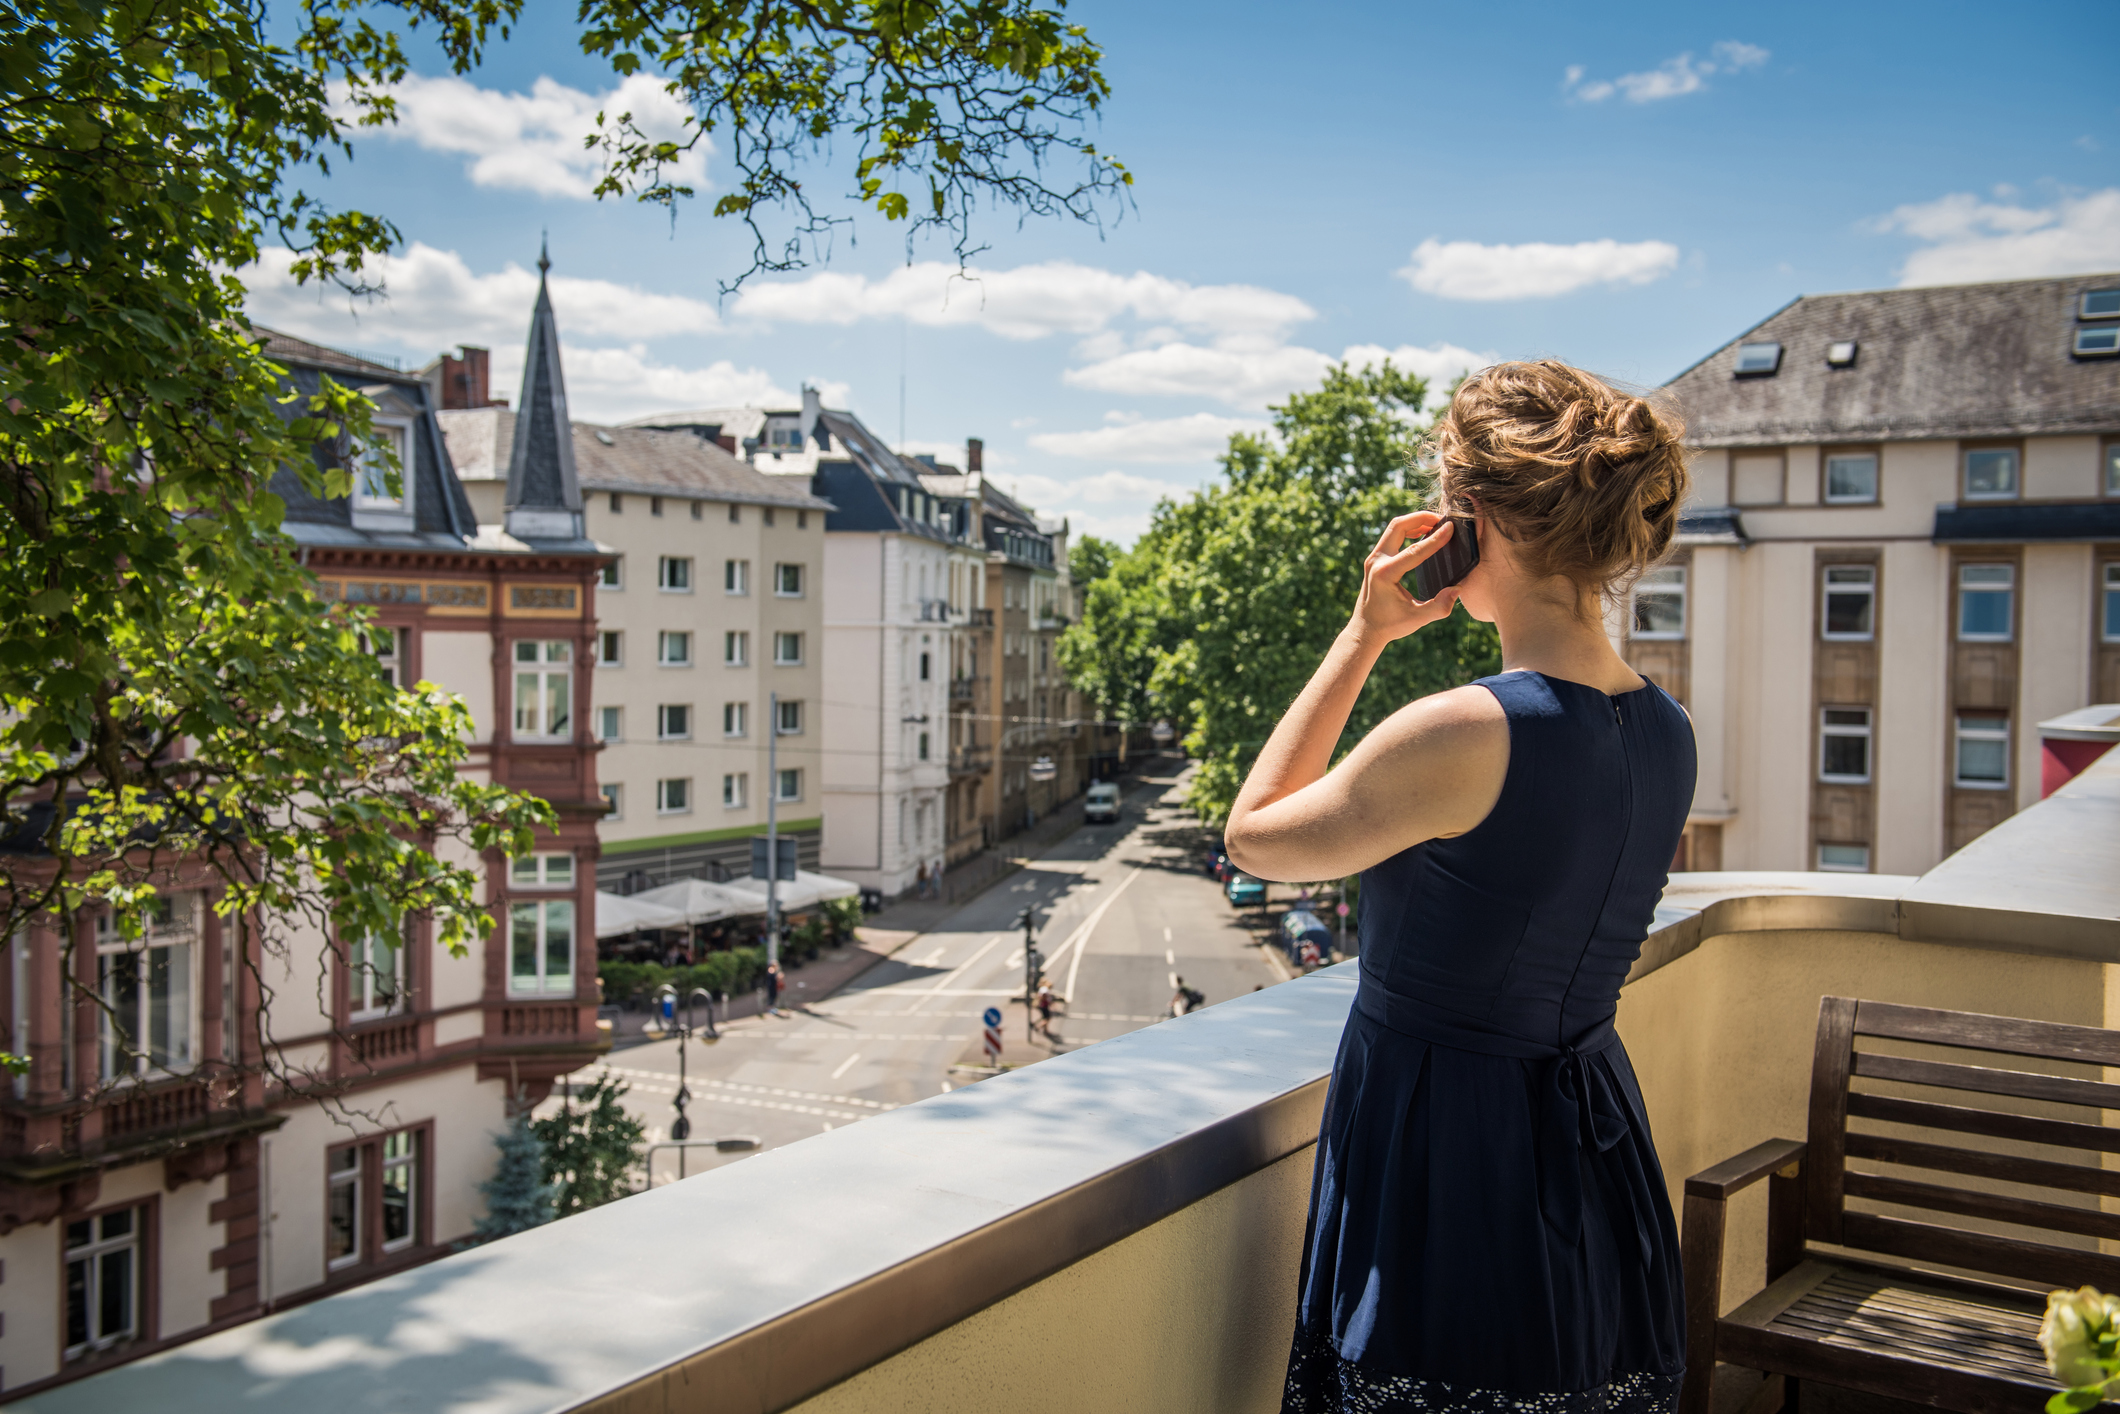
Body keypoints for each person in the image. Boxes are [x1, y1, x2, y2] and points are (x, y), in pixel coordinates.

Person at [1224, 362, 1693, 1411]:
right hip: (1591, 1147)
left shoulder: (1467, 728)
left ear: (1469, 518)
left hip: (1446, 1149)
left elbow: (1252, 838)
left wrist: (1364, 631)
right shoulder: (1667, 732)